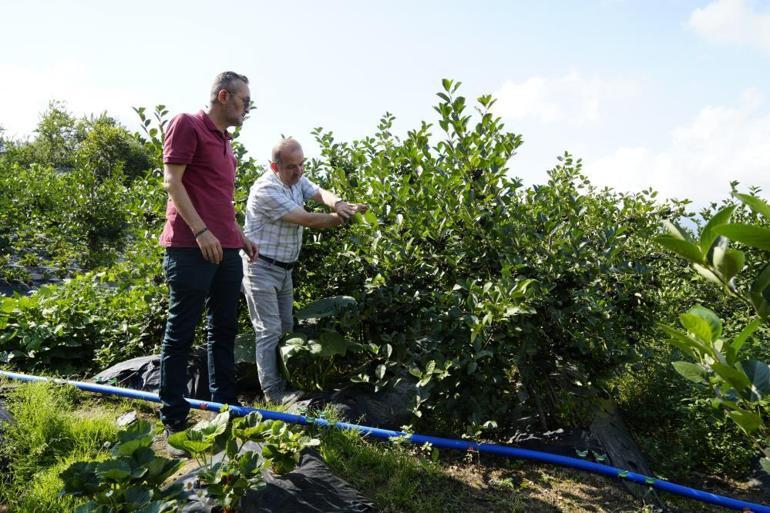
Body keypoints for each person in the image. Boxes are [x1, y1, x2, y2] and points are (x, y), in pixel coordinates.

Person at [158, 71, 258, 450]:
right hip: (189, 247)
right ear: (222, 96)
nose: (247, 107)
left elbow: (220, 200)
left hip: (226, 249)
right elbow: (173, 181)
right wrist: (201, 232)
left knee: (223, 330)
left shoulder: (226, 142)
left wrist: (240, 236)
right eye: (243, 100)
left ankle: (225, 407)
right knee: (181, 332)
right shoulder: (188, 124)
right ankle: (174, 416)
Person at [242, 138, 367, 404]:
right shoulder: (266, 189)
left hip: (284, 268)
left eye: (301, 165)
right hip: (260, 267)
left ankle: (285, 382)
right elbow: (308, 219)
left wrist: (339, 203)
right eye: (291, 167)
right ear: (274, 167)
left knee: (286, 327)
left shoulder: (296, 178)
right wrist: (345, 218)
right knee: (269, 331)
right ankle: (274, 394)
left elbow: (319, 192)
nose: (298, 171)